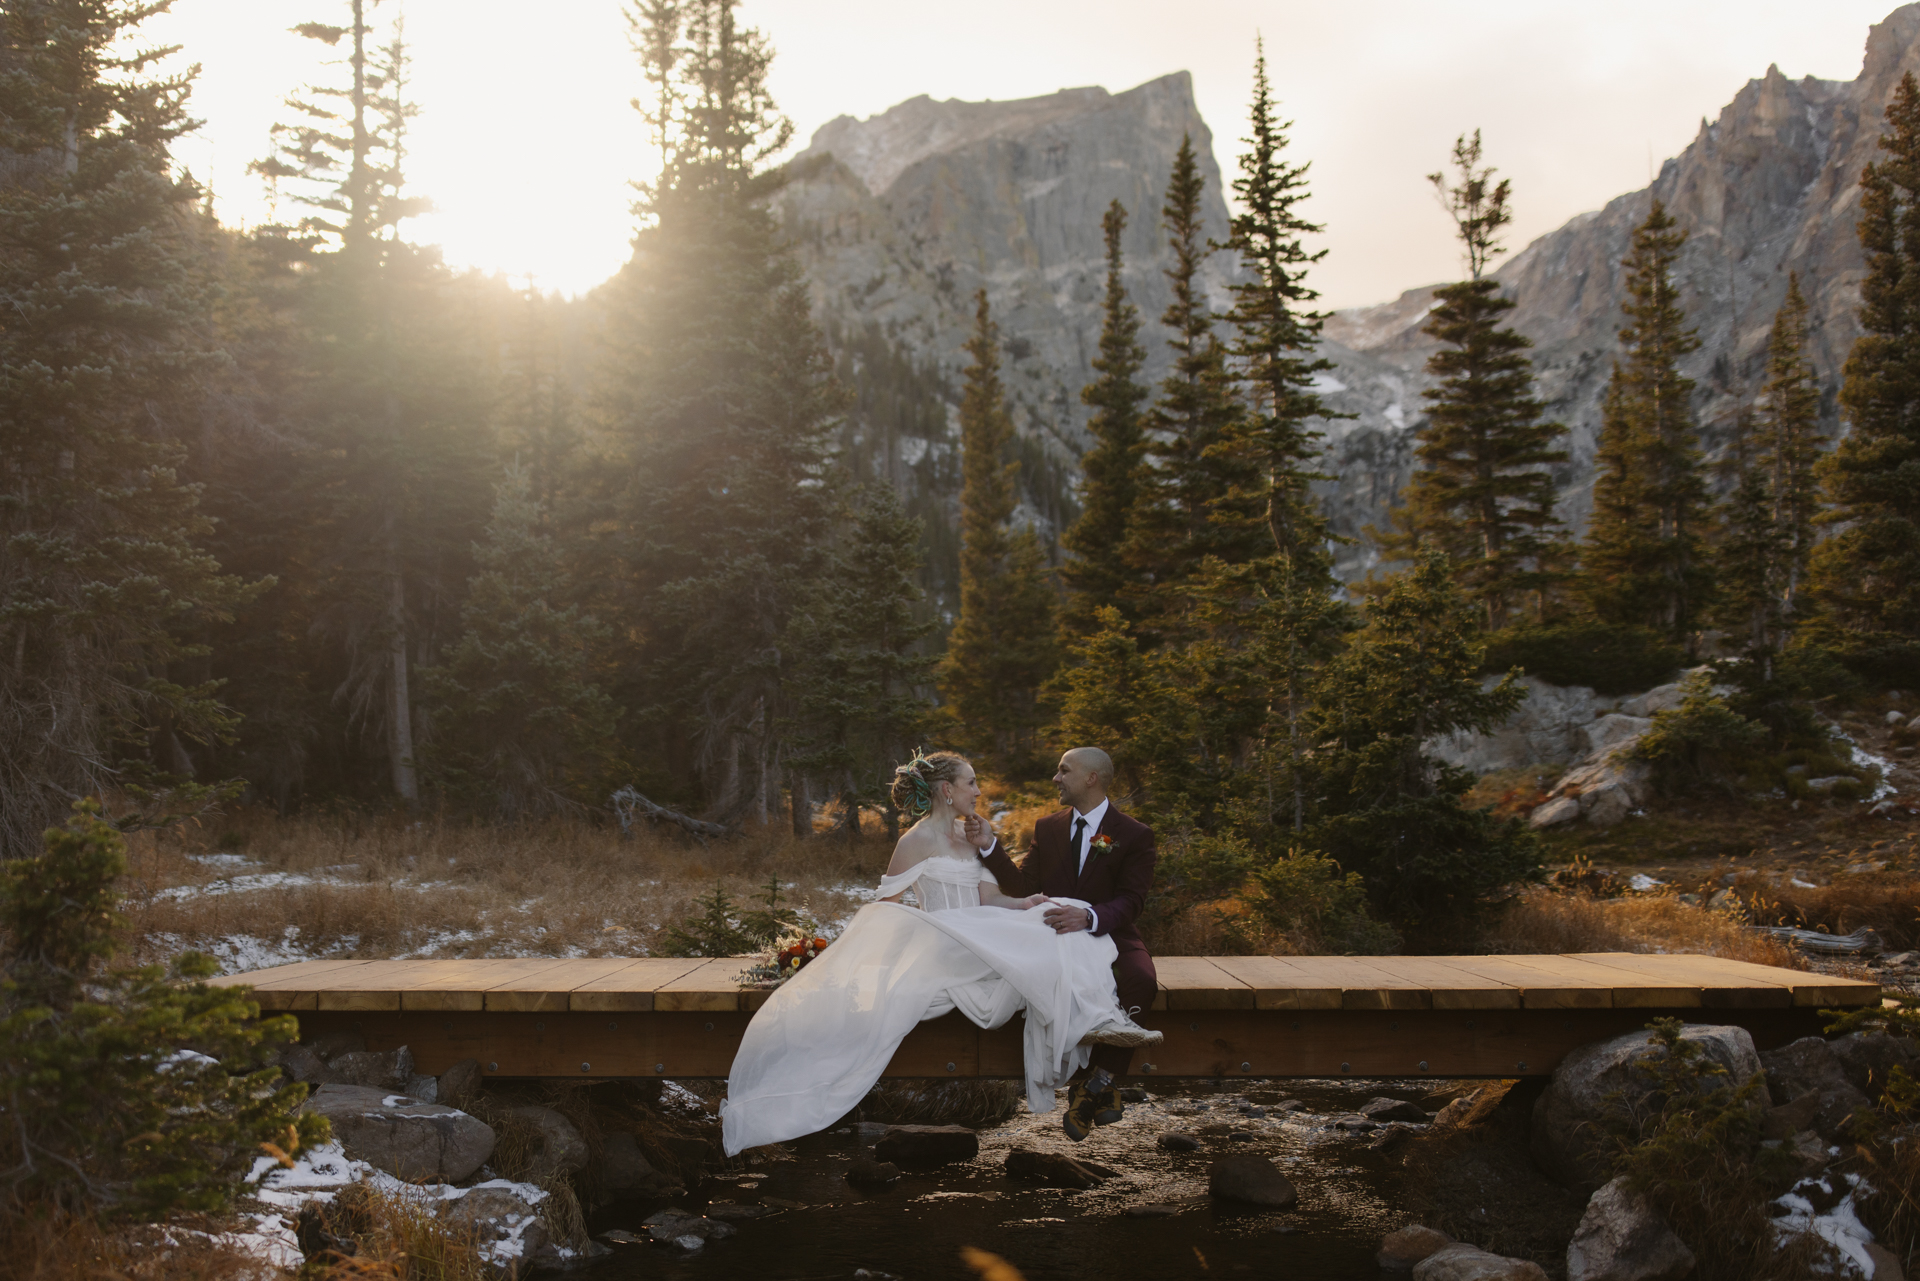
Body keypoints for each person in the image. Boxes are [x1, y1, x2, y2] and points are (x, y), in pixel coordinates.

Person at [720, 749, 1159, 1157]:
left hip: (996, 930)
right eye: (972, 782)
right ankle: (1095, 1023)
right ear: (947, 790)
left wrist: (1025, 901)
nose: (980, 791)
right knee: (1047, 935)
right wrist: (843, 957)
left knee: (1049, 927)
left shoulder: (978, 833)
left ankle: (1099, 1040)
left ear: (1092, 777)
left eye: (1064, 770)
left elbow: (996, 898)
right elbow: (883, 908)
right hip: (947, 939)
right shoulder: (918, 841)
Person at [968, 747, 1157, 1141]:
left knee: (1141, 981)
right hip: (1051, 935)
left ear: (1091, 778)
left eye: (1063, 771)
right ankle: (1097, 1090)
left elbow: (1132, 900)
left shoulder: (1135, 834)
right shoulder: (1048, 827)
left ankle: (1096, 1083)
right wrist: (989, 845)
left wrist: (1089, 917)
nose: (1056, 778)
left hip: (1108, 929)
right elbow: (1022, 886)